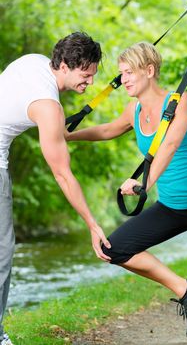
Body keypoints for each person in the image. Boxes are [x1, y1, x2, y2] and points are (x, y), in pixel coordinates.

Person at [66, 42, 187, 339]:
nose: (125, 79)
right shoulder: (134, 109)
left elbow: (167, 146)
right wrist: (69, 135)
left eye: (130, 72)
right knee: (113, 249)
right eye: (122, 73)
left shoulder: (180, 102)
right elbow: (107, 130)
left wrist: (144, 184)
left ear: (150, 70)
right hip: (171, 208)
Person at [0, 31, 111, 345]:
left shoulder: (33, 62)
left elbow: (53, 128)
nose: (89, 82)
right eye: (85, 75)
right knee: (2, 252)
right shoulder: (49, 106)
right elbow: (63, 174)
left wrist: (64, 132)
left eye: (92, 76)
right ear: (65, 65)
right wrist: (92, 224)